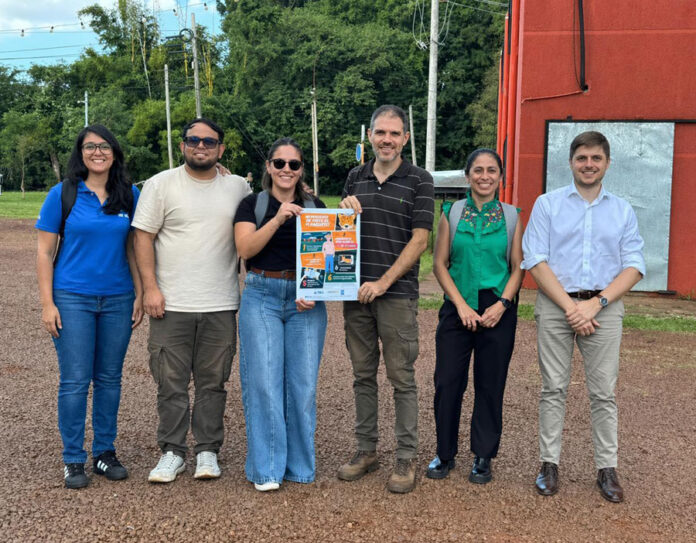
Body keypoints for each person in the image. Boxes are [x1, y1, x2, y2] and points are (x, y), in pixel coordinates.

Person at [521, 131, 645, 503]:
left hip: (603, 308)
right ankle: (549, 464)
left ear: (607, 163)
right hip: (556, 305)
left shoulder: (622, 210)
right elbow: (535, 259)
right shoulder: (547, 204)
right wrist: (571, 308)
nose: (588, 165)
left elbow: (634, 266)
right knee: (553, 388)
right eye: (582, 158)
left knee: (603, 393)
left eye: (596, 158)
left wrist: (597, 304)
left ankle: (607, 468)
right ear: (571, 162)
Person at [132, 118, 251, 483]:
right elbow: (142, 237)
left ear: (221, 149)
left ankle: (207, 450)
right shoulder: (160, 184)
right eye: (194, 140)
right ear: (182, 144)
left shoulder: (238, 187)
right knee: (170, 382)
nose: (201, 146)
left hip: (220, 302)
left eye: (209, 141)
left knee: (213, 382)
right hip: (171, 303)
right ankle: (172, 451)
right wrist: (150, 288)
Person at [36, 124, 143, 489]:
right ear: (80, 153)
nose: (98, 152)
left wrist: (140, 292)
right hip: (72, 297)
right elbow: (44, 252)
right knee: (75, 380)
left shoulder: (129, 194)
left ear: (115, 152)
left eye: (104, 146)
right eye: (90, 147)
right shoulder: (63, 193)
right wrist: (47, 303)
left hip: (118, 298)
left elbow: (133, 248)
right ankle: (73, 458)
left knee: (110, 379)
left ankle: (104, 452)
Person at [337, 105, 434, 494]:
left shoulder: (419, 180)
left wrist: (383, 282)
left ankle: (405, 456)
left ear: (405, 138)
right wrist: (342, 211)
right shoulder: (354, 177)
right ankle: (367, 450)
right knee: (362, 375)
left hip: (396, 295)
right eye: (381, 132)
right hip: (354, 292)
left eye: (395, 133)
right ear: (370, 136)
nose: (387, 140)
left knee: (401, 377)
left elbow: (420, 240)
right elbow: (340, 233)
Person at [234, 137, 328, 492]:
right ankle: (267, 468)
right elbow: (246, 249)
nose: (286, 169)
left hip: (304, 300)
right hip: (262, 294)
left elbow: (327, 255)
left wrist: (313, 290)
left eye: (294, 164)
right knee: (264, 383)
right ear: (269, 167)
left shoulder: (315, 206)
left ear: (301, 170)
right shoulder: (253, 204)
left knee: (303, 387)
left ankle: (299, 467)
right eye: (280, 163)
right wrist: (277, 218)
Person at [427, 149, 524, 484]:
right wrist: (461, 306)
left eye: (492, 170)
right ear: (468, 176)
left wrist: (503, 304)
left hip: (497, 308)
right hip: (458, 305)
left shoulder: (511, 217)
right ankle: (444, 452)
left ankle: (483, 454)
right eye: (478, 170)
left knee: (490, 383)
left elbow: (518, 267)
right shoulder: (451, 213)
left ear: (500, 177)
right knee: (447, 381)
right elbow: (439, 264)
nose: (485, 176)